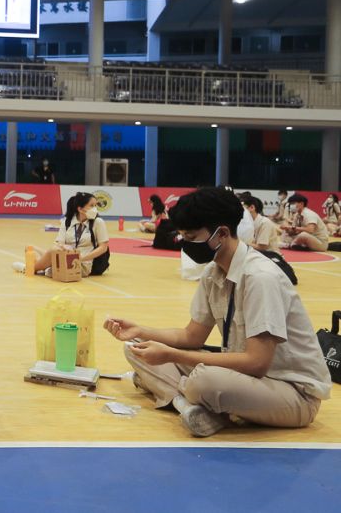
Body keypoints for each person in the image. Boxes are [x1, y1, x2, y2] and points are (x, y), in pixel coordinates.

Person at [103, 187, 330, 437]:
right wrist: (140, 330)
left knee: (204, 380)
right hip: (242, 376)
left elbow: (257, 362)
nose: (185, 244)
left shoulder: (260, 278)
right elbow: (192, 336)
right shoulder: (213, 272)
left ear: (221, 233)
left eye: (190, 236)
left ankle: (184, 397)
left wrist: (171, 355)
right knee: (137, 347)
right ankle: (190, 406)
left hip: (290, 392)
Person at [13, 192, 109, 278]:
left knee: (51, 252)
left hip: (81, 264)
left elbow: (103, 247)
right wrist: (63, 247)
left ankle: (29, 268)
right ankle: (39, 267)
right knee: (30, 247)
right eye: (91, 205)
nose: (95, 209)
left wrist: (81, 258)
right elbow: (58, 243)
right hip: (64, 257)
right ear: (80, 209)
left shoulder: (98, 222)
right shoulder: (67, 222)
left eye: (96, 205)